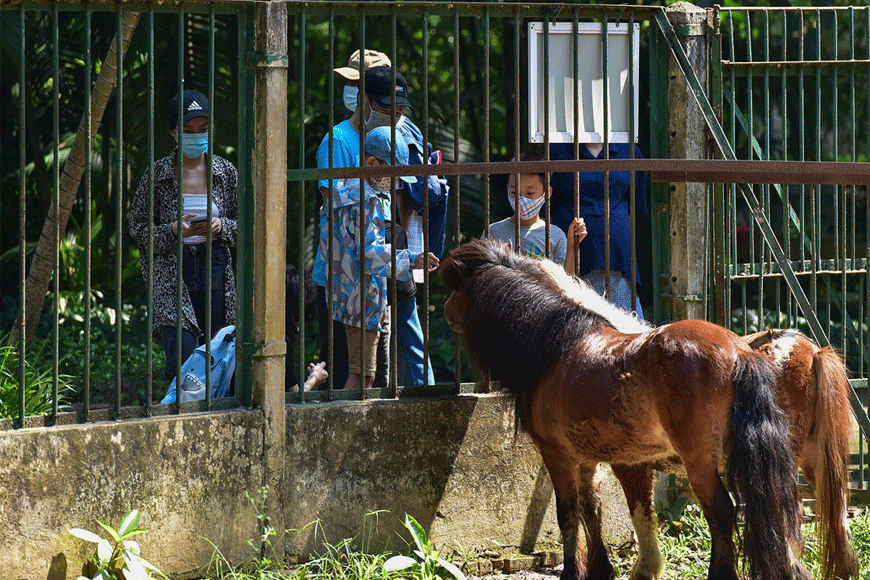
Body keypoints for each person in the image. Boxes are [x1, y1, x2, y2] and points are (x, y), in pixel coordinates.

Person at [129, 89, 238, 385]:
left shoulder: (225, 172)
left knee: (218, 349)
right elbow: (137, 228)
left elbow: (245, 226)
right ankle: (181, 412)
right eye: (188, 131)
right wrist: (174, 230)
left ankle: (214, 410)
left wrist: (220, 225)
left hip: (214, 264)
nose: (196, 137)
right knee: (183, 355)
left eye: (203, 130)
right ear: (173, 131)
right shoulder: (158, 175)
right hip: (171, 271)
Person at [319, 126, 439, 390]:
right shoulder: (368, 199)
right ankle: (347, 427)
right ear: (371, 163)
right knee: (363, 377)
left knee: (360, 373)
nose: (394, 183)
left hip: (342, 295)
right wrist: (412, 259)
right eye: (391, 174)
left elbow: (328, 246)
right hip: (365, 299)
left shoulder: (339, 192)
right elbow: (369, 253)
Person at [315, 49, 392, 390]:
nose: (352, 89)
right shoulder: (338, 140)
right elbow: (337, 213)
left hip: (378, 275)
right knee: (345, 373)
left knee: (376, 377)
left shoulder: (393, 138)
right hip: (343, 278)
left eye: (359, 82)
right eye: (349, 82)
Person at [362, 65, 442, 387]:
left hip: (401, 244)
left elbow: (427, 186)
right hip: (361, 262)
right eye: (386, 108)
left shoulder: (411, 133)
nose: (394, 114)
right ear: (364, 101)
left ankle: (428, 394)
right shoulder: (344, 136)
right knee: (366, 353)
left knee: (407, 328)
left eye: (398, 109)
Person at [549, 142, 648, 317]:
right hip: (572, 264)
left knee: (629, 332)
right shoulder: (556, 150)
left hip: (619, 263)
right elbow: (545, 210)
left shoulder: (629, 149)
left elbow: (634, 208)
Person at [487, 152, 586, 274]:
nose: (521, 200)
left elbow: (566, 284)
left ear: (547, 193)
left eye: (530, 193)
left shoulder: (556, 236)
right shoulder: (493, 232)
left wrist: (572, 246)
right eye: (514, 192)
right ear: (508, 189)